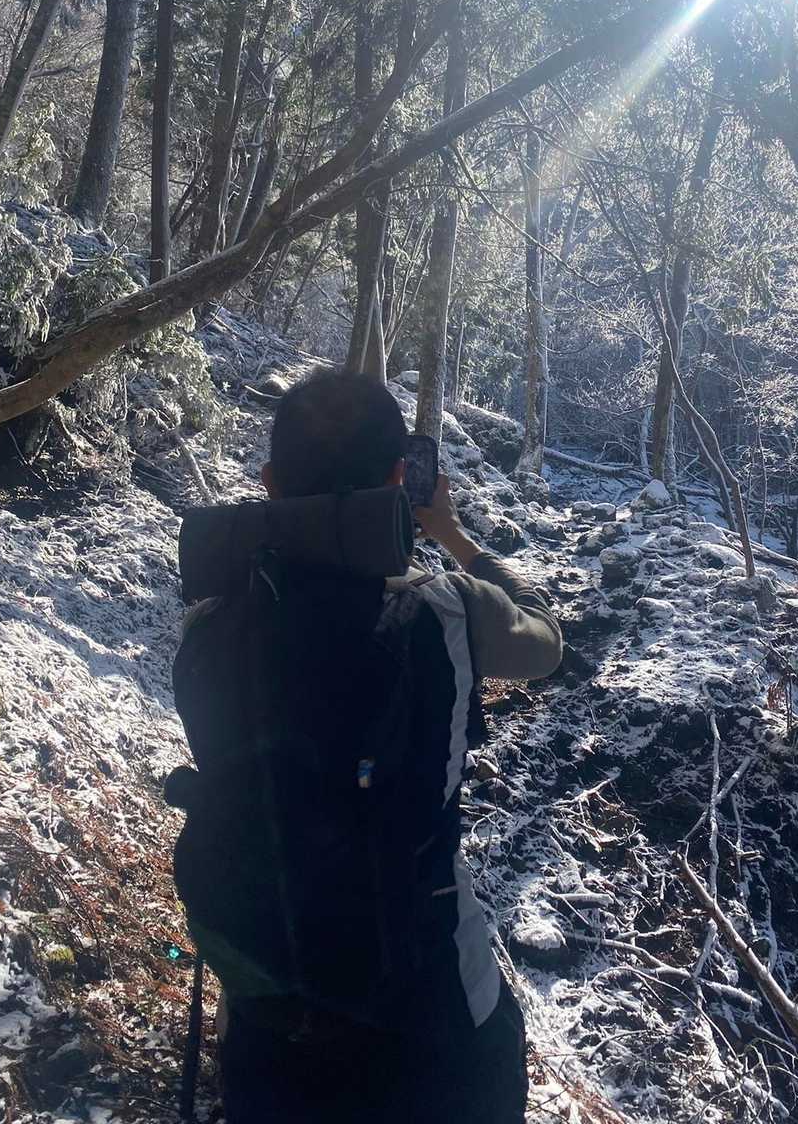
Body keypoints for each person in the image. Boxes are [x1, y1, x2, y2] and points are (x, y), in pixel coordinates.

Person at [169, 367, 561, 1123]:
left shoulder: (209, 623)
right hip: (434, 1012)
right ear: (399, 480)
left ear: (269, 483)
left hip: (269, 1005)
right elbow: (545, 642)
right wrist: (453, 535)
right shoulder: (448, 612)